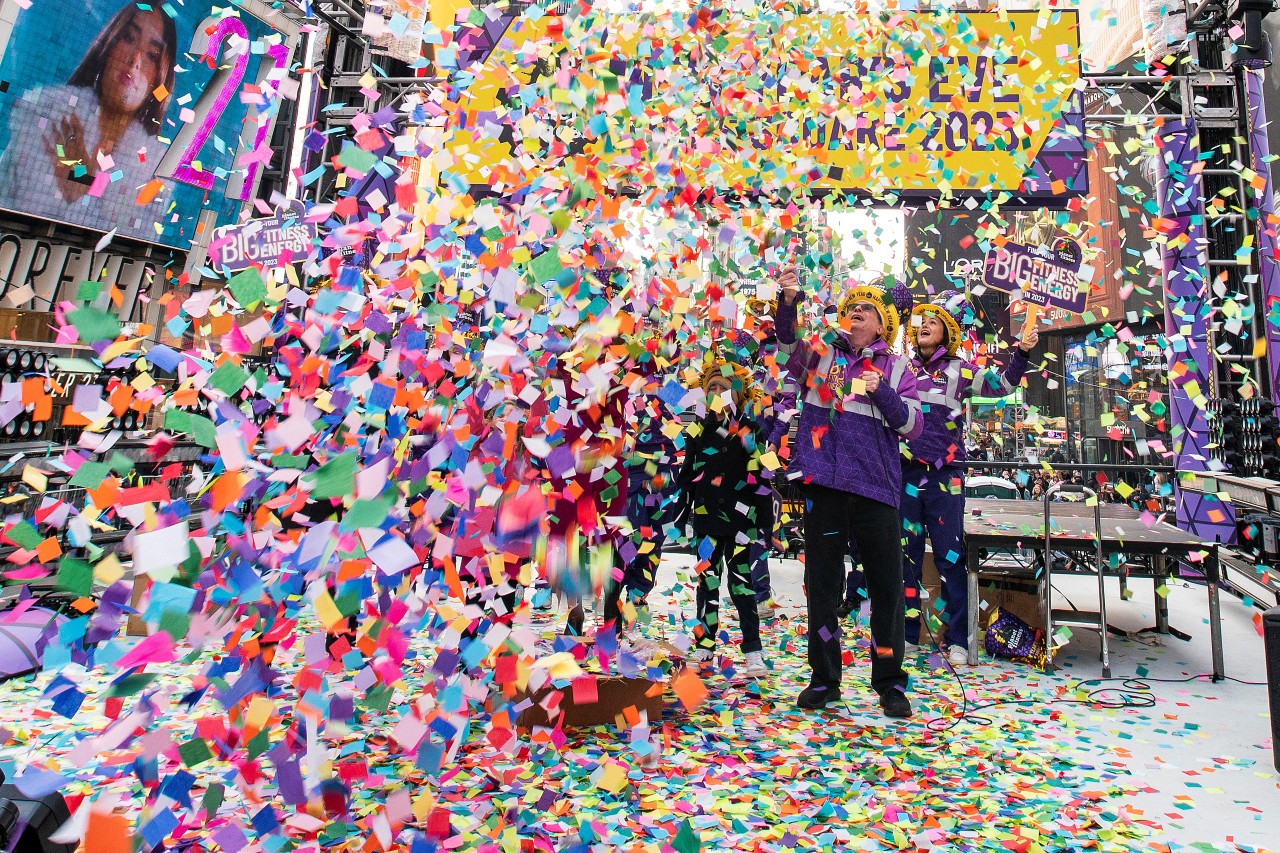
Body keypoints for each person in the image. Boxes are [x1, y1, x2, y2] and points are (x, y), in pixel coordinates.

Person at [775, 269, 922, 717]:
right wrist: (787, 300)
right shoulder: (821, 356)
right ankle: (824, 679)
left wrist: (885, 396)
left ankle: (890, 684)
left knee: (886, 590)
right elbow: (786, 349)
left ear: (882, 327)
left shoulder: (897, 369)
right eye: (851, 309)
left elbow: (913, 427)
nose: (854, 315)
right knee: (821, 587)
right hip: (826, 486)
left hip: (877, 490)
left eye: (865, 311)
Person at [900, 290, 1037, 665]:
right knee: (906, 559)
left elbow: (1004, 386)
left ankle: (958, 638)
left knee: (950, 559)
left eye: (934, 322)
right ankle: (908, 636)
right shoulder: (902, 370)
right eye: (921, 322)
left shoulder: (961, 371)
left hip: (947, 479)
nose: (925, 326)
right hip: (905, 475)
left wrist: (1022, 352)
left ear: (947, 333)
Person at [0, 2, 177, 241]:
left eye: (152, 56)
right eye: (128, 38)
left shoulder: (156, 171)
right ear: (109, 46)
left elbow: (135, 248)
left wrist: (82, 190)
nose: (135, 59)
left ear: (160, 78)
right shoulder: (45, 118)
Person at [675, 361, 771, 678]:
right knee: (708, 583)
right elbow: (686, 476)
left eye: (724, 388)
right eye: (712, 388)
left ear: (737, 395)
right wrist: (687, 502)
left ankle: (753, 650)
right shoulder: (695, 432)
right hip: (706, 523)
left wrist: (765, 526)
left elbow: (764, 477)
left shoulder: (751, 430)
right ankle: (704, 645)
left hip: (742, 524)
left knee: (743, 585)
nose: (718, 393)